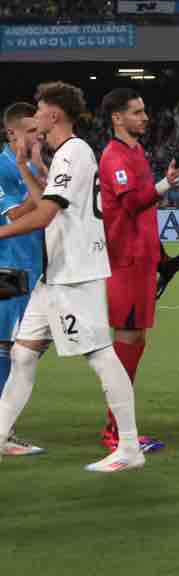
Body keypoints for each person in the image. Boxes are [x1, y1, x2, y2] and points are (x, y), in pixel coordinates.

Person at [0, 81, 145, 472]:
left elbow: (45, 215)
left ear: (53, 114)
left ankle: (129, 447)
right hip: (56, 274)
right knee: (22, 354)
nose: (35, 116)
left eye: (39, 109)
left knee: (100, 356)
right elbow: (47, 201)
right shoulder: (67, 153)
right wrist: (23, 166)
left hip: (75, 275)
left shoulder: (74, 152)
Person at [97, 88, 179, 453]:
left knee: (135, 342)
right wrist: (165, 184)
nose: (145, 117)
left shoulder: (135, 152)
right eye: (137, 112)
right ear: (117, 118)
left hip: (141, 259)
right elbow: (132, 203)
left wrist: (160, 256)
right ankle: (115, 432)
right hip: (126, 261)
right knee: (127, 342)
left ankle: (121, 426)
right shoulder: (114, 155)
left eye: (144, 111)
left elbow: (144, 213)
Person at [0, 102, 46, 456]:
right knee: (7, 349)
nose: (38, 136)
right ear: (11, 133)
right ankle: (4, 433)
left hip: (34, 267)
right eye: (30, 131)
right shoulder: (2, 167)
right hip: (8, 268)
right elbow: (14, 214)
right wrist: (43, 191)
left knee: (25, 349)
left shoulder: (32, 166)